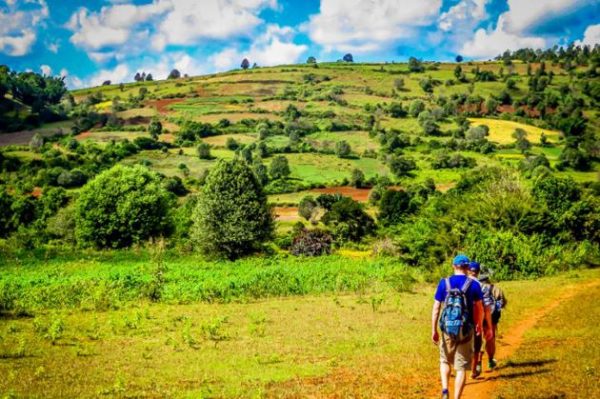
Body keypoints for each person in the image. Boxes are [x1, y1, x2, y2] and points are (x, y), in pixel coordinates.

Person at [432, 255, 487, 399]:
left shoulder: (444, 283)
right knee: (461, 368)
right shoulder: (474, 284)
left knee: (444, 360)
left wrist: (434, 330)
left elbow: (436, 308)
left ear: (453, 266)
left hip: (447, 330)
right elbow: (480, 308)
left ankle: (445, 390)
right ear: (468, 268)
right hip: (465, 330)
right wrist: (479, 325)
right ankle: (456, 397)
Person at [467, 261, 493, 378]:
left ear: (468, 270)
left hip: (463, 319)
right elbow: (487, 309)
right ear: (478, 272)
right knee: (477, 345)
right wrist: (489, 326)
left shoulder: (461, 282)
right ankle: (474, 369)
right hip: (478, 319)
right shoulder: (482, 286)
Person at [478, 273, 507, 370]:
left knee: (478, 339)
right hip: (491, 317)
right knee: (490, 338)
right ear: (488, 279)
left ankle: (478, 364)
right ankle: (490, 360)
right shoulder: (495, 288)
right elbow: (502, 302)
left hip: (478, 317)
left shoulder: (475, 287)